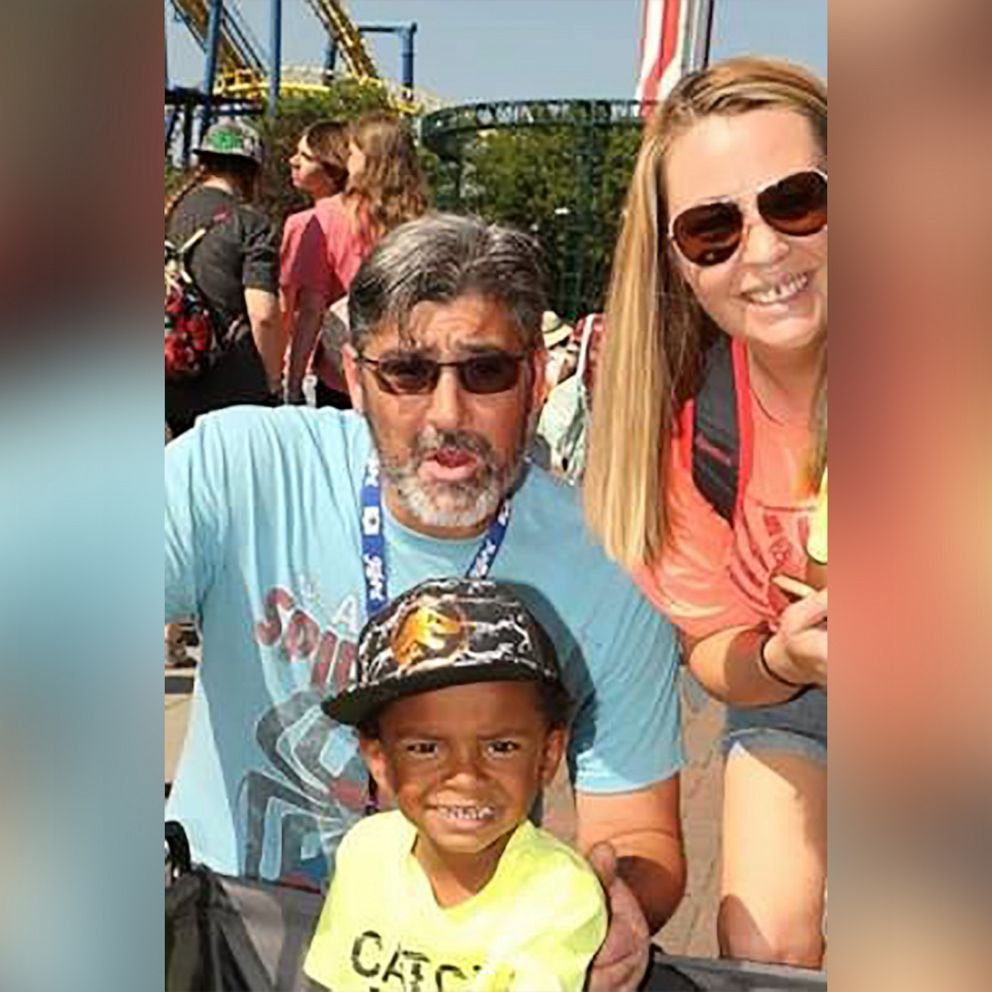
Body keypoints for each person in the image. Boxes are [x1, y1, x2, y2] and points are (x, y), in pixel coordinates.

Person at [165, 213, 685, 990]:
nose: (446, 414)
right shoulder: (240, 469)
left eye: (484, 373)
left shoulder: (608, 566)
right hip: (226, 939)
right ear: (357, 373)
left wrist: (614, 906)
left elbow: (639, 831)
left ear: (537, 378)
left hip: (459, 964)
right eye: (407, 373)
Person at [584, 58, 828, 967]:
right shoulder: (691, 431)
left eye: (797, 200)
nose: (762, 252)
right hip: (805, 688)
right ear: (677, 262)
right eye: (713, 229)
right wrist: (783, 654)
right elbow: (717, 652)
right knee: (761, 944)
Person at [304, 577, 607, 992]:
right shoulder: (365, 850)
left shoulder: (560, 895)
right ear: (378, 759)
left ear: (549, 754)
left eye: (501, 747)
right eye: (425, 748)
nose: (466, 776)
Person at [285, 111, 429, 409]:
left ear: (369, 161)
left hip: (342, 373)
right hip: (405, 369)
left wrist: (294, 382)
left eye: (352, 152)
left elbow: (311, 310)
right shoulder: (421, 224)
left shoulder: (324, 219)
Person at [164, 119, 283, 438]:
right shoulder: (251, 223)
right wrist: (273, 381)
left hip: (172, 379)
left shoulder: (169, 212)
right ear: (251, 170)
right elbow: (264, 315)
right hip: (233, 388)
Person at [279, 120, 349, 406]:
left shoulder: (307, 223)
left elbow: (305, 309)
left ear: (331, 168)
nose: (293, 162)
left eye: (305, 157)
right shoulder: (377, 216)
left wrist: (291, 381)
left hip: (328, 366)